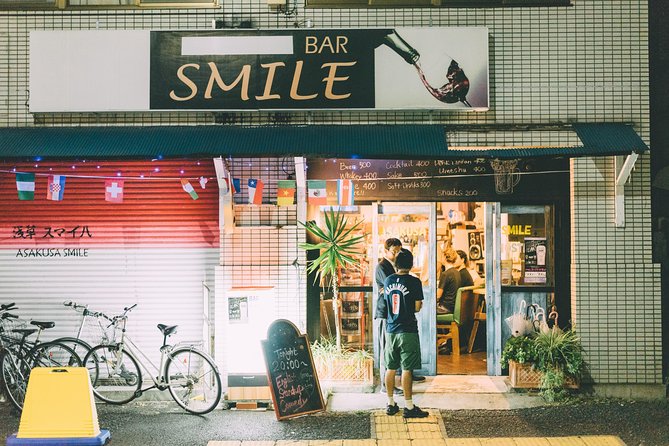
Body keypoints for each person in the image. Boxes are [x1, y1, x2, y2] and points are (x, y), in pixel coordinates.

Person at [383, 249, 429, 418]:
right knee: (407, 369)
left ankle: (390, 404)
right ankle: (409, 407)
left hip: (391, 330)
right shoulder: (414, 282)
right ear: (411, 264)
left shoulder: (388, 281)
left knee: (390, 367)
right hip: (408, 330)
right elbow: (417, 307)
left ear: (396, 264)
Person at [374, 238, 403, 395]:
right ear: (385, 251)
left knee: (392, 347)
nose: (397, 254)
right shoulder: (382, 266)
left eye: (399, 251)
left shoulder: (392, 266)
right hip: (385, 313)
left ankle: (394, 380)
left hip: (392, 312)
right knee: (386, 349)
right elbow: (390, 287)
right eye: (394, 251)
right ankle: (386, 386)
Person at [437, 248, 461, 314]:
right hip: (452, 307)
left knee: (424, 309)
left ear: (444, 257)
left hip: (444, 307)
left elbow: (438, 296)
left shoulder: (445, 274)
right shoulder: (457, 272)